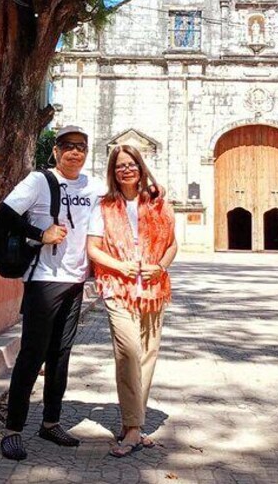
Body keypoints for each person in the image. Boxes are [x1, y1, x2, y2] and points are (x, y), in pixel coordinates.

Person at [0, 125, 105, 461]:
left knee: (61, 354)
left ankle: (51, 422)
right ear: (56, 151)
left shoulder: (93, 186)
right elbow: (3, 218)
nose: (75, 152)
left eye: (81, 147)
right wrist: (39, 233)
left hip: (75, 281)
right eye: (68, 146)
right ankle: (13, 430)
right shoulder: (38, 181)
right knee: (33, 353)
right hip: (43, 278)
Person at [86, 145, 177, 458]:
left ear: (141, 167)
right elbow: (94, 249)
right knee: (129, 352)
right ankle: (136, 428)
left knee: (148, 355)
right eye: (119, 166)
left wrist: (161, 267)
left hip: (153, 287)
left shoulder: (158, 202)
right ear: (113, 172)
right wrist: (119, 266)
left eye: (131, 164)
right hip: (117, 286)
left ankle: (131, 426)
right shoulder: (104, 207)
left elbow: (172, 244)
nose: (126, 170)